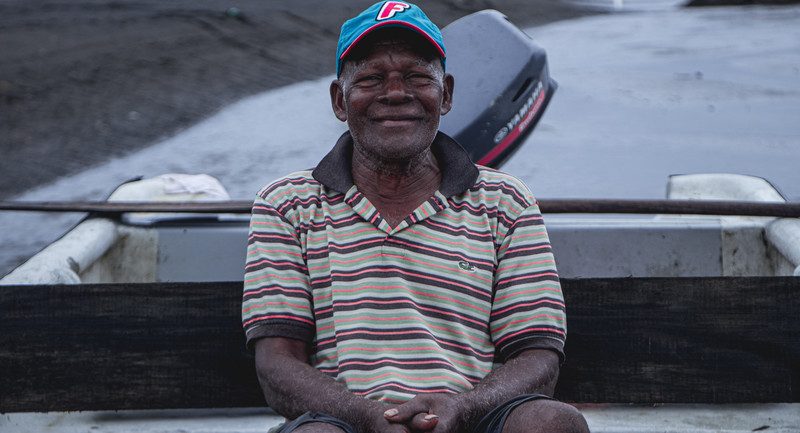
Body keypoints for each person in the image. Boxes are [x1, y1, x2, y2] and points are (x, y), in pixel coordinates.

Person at [242, 2, 589, 432]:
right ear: (339, 99)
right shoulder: (286, 204)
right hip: (346, 423)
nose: (395, 93)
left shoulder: (507, 202)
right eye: (370, 78)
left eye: (417, 77)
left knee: (553, 423)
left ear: (445, 94)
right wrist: (370, 417)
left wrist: (459, 408)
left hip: (472, 418)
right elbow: (276, 364)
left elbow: (538, 358)